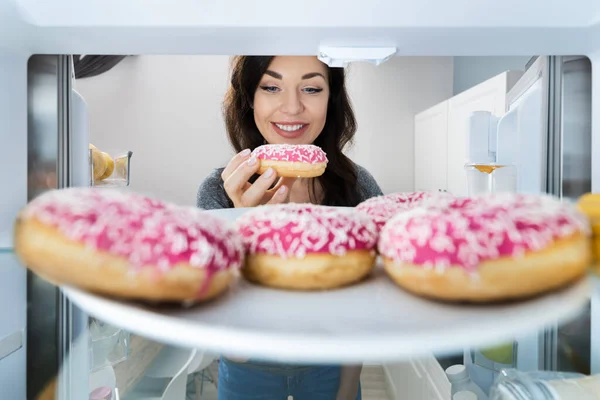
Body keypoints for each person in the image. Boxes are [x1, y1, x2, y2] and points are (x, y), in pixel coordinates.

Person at [196, 55, 383, 400]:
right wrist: (246, 227)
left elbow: (366, 308)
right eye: (271, 87)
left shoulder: (358, 188)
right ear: (250, 97)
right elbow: (232, 341)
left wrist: (345, 389)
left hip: (332, 367)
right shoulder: (220, 190)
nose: (292, 107)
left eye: (311, 88)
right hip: (248, 371)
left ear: (332, 98)